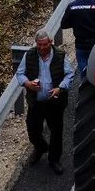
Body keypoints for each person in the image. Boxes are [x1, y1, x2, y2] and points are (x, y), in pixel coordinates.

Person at [15, 29, 73, 173]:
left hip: (55, 102)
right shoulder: (29, 56)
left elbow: (69, 74)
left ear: (50, 42)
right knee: (33, 129)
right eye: (39, 45)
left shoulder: (60, 55)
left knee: (56, 131)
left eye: (44, 44)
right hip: (36, 102)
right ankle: (41, 148)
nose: (41, 48)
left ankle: (54, 160)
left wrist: (60, 88)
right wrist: (27, 84)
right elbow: (20, 73)